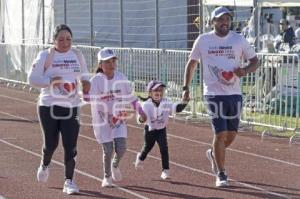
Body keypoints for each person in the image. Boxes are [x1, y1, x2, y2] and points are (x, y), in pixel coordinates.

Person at [182, 6, 258, 187]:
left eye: (227, 19)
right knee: (220, 132)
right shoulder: (203, 40)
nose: (225, 22)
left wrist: (245, 71)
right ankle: (221, 173)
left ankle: (213, 153)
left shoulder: (238, 39)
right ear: (213, 21)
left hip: (234, 94)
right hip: (213, 94)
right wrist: (186, 87)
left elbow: (255, 61)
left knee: (231, 135)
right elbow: (191, 64)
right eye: (220, 19)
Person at [28, 24, 90, 194]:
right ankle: (45, 163)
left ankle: (69, 181)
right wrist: (50, 81)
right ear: (54, 40)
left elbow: (84, 74)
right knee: (51, 144)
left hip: (72, 106)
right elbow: (32, 79)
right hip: (49, 106)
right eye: (61, 39)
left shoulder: (77, 54)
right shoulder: (46, 55)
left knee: (70, 145)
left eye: (68, 39)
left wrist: (86, 83)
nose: (65, 42)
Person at [89, 48, 147, 187]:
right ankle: (107, 177)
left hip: (118, 118)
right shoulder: (95, 81)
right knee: (108, 149)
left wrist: (140, 111)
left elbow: (132, 98)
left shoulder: (121, 78)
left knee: (121, 148)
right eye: (107, 62)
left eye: (113, 61)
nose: (111, 64)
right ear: (100, 64)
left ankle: (115, 165)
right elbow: (87, 98)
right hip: (102, 121)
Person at [134, 80, 188, 179]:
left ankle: (165, 170)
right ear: (150, 93)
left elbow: (177, 108)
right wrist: (142, 118)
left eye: (161, 90)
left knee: (164, 149)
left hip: (161, 129)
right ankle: (140, 158)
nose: (159, 92)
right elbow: (140, 119)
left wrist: (185, 101)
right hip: (150, 130)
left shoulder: (166, 102)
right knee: (147, 148)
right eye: (156, 90)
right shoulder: (146, 105)